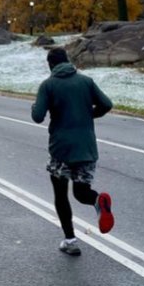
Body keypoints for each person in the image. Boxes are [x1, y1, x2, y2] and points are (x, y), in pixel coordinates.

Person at [31, 47, 115, 256]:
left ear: (50, 64)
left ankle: (70, 241)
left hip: (61, 150)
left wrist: (35, 106)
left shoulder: (48, 85)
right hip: (86, 148)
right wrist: (89, 115)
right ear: (67, 61)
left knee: (61, 195)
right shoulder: (85, 81)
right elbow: (107, 104)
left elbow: (38, 116)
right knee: (81, 192)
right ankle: (97, 201)